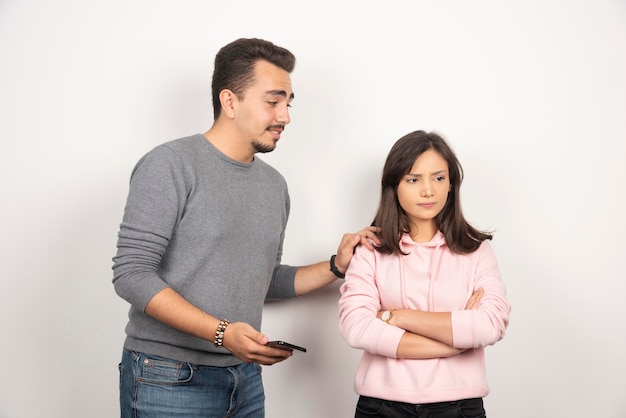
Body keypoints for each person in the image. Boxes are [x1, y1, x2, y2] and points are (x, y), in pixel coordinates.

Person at [112, 37, 379, 418]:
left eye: (288, 103)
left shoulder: (274, 186)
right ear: (230, 101)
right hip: (167, 378)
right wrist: (223, 333)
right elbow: (131, 274)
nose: (285, 116)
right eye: (273, 101)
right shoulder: (170, 164)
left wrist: (337, 265)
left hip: (245, 380)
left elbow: (261, 280)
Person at [338, 130, 511, 418]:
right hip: (382, 407)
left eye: (439, 178)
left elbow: (491, 324)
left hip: (460, 407)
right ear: (394, 185)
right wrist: (454, 343)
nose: (428, 190)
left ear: (451, 184)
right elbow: (356, 327)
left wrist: (398, 317)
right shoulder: (370, 249)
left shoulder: (475, 250)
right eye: (413, 179)